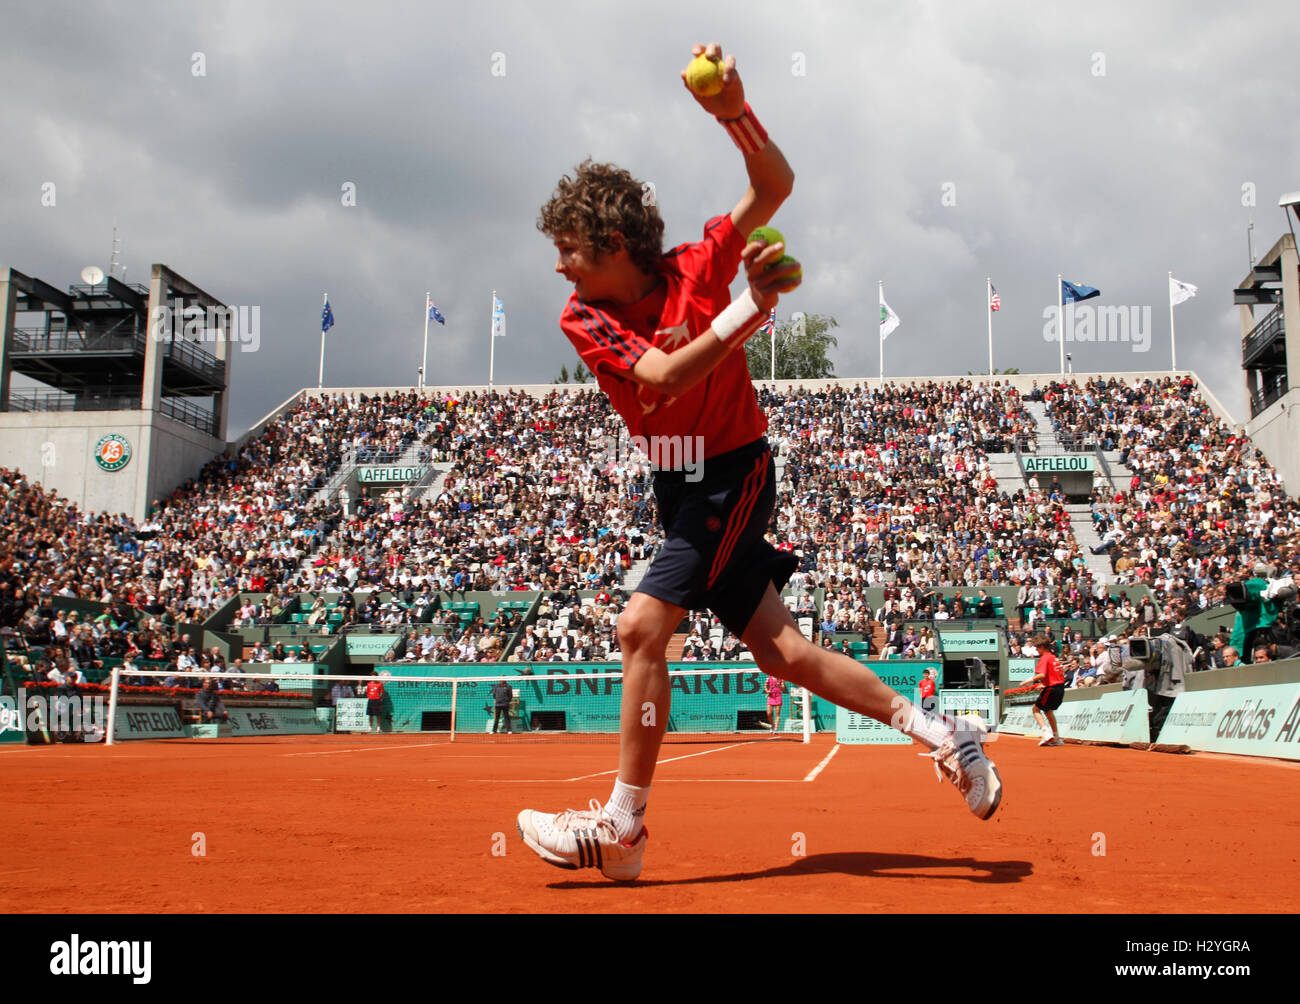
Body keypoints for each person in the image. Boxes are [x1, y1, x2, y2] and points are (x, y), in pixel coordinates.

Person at [515, 41, 1002, 883]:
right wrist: (755, 306)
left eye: (572, 250)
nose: (558, 266)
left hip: (733, 473)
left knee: (639, 627)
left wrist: (731, 108)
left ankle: (623, 828)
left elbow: (773, 185)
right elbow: (665, 378)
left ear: (618, 244)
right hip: (679, 481)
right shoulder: (582, 318)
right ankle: (945, 735)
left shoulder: (694, 267)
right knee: (786, 655)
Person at [1026, 634, 1065, 746]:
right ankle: (1057, 738)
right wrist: (1043, 684)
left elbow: (1042, 674)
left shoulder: (1044, 658)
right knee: (1048, 711)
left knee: (1036, 709)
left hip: (1052, 688)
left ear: (1042, 647)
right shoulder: (1053, 657)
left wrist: (1027, 681)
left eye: (1037, 647)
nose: (1036, 649)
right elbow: (1055, 675)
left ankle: (1047, 734)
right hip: (1060, 688)